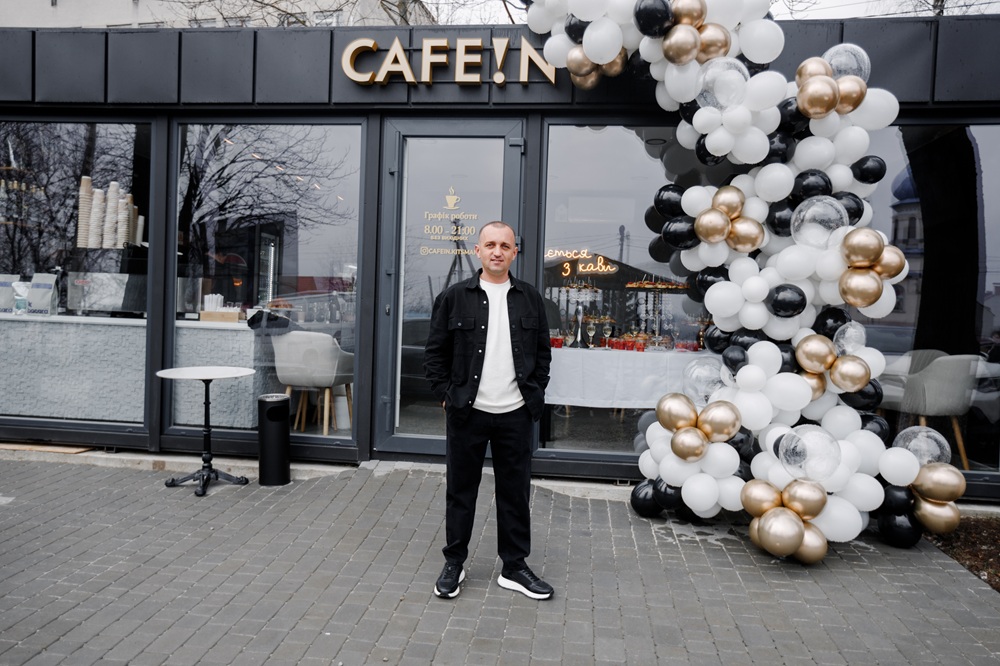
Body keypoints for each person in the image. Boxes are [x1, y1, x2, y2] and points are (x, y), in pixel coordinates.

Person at [423, 221, 553, 601]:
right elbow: (435, 355)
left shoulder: (530, 298)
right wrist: (446, 396)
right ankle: (454, 562)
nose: (497, 251)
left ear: (515, 253)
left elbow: (543, 353)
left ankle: (514, 567)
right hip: (468, 411)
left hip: (515, 411)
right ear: (478, 251)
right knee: (461, 492)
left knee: (515, 493)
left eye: (505, 246)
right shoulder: (453, 297)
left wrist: (534, 392)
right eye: (490, 244)